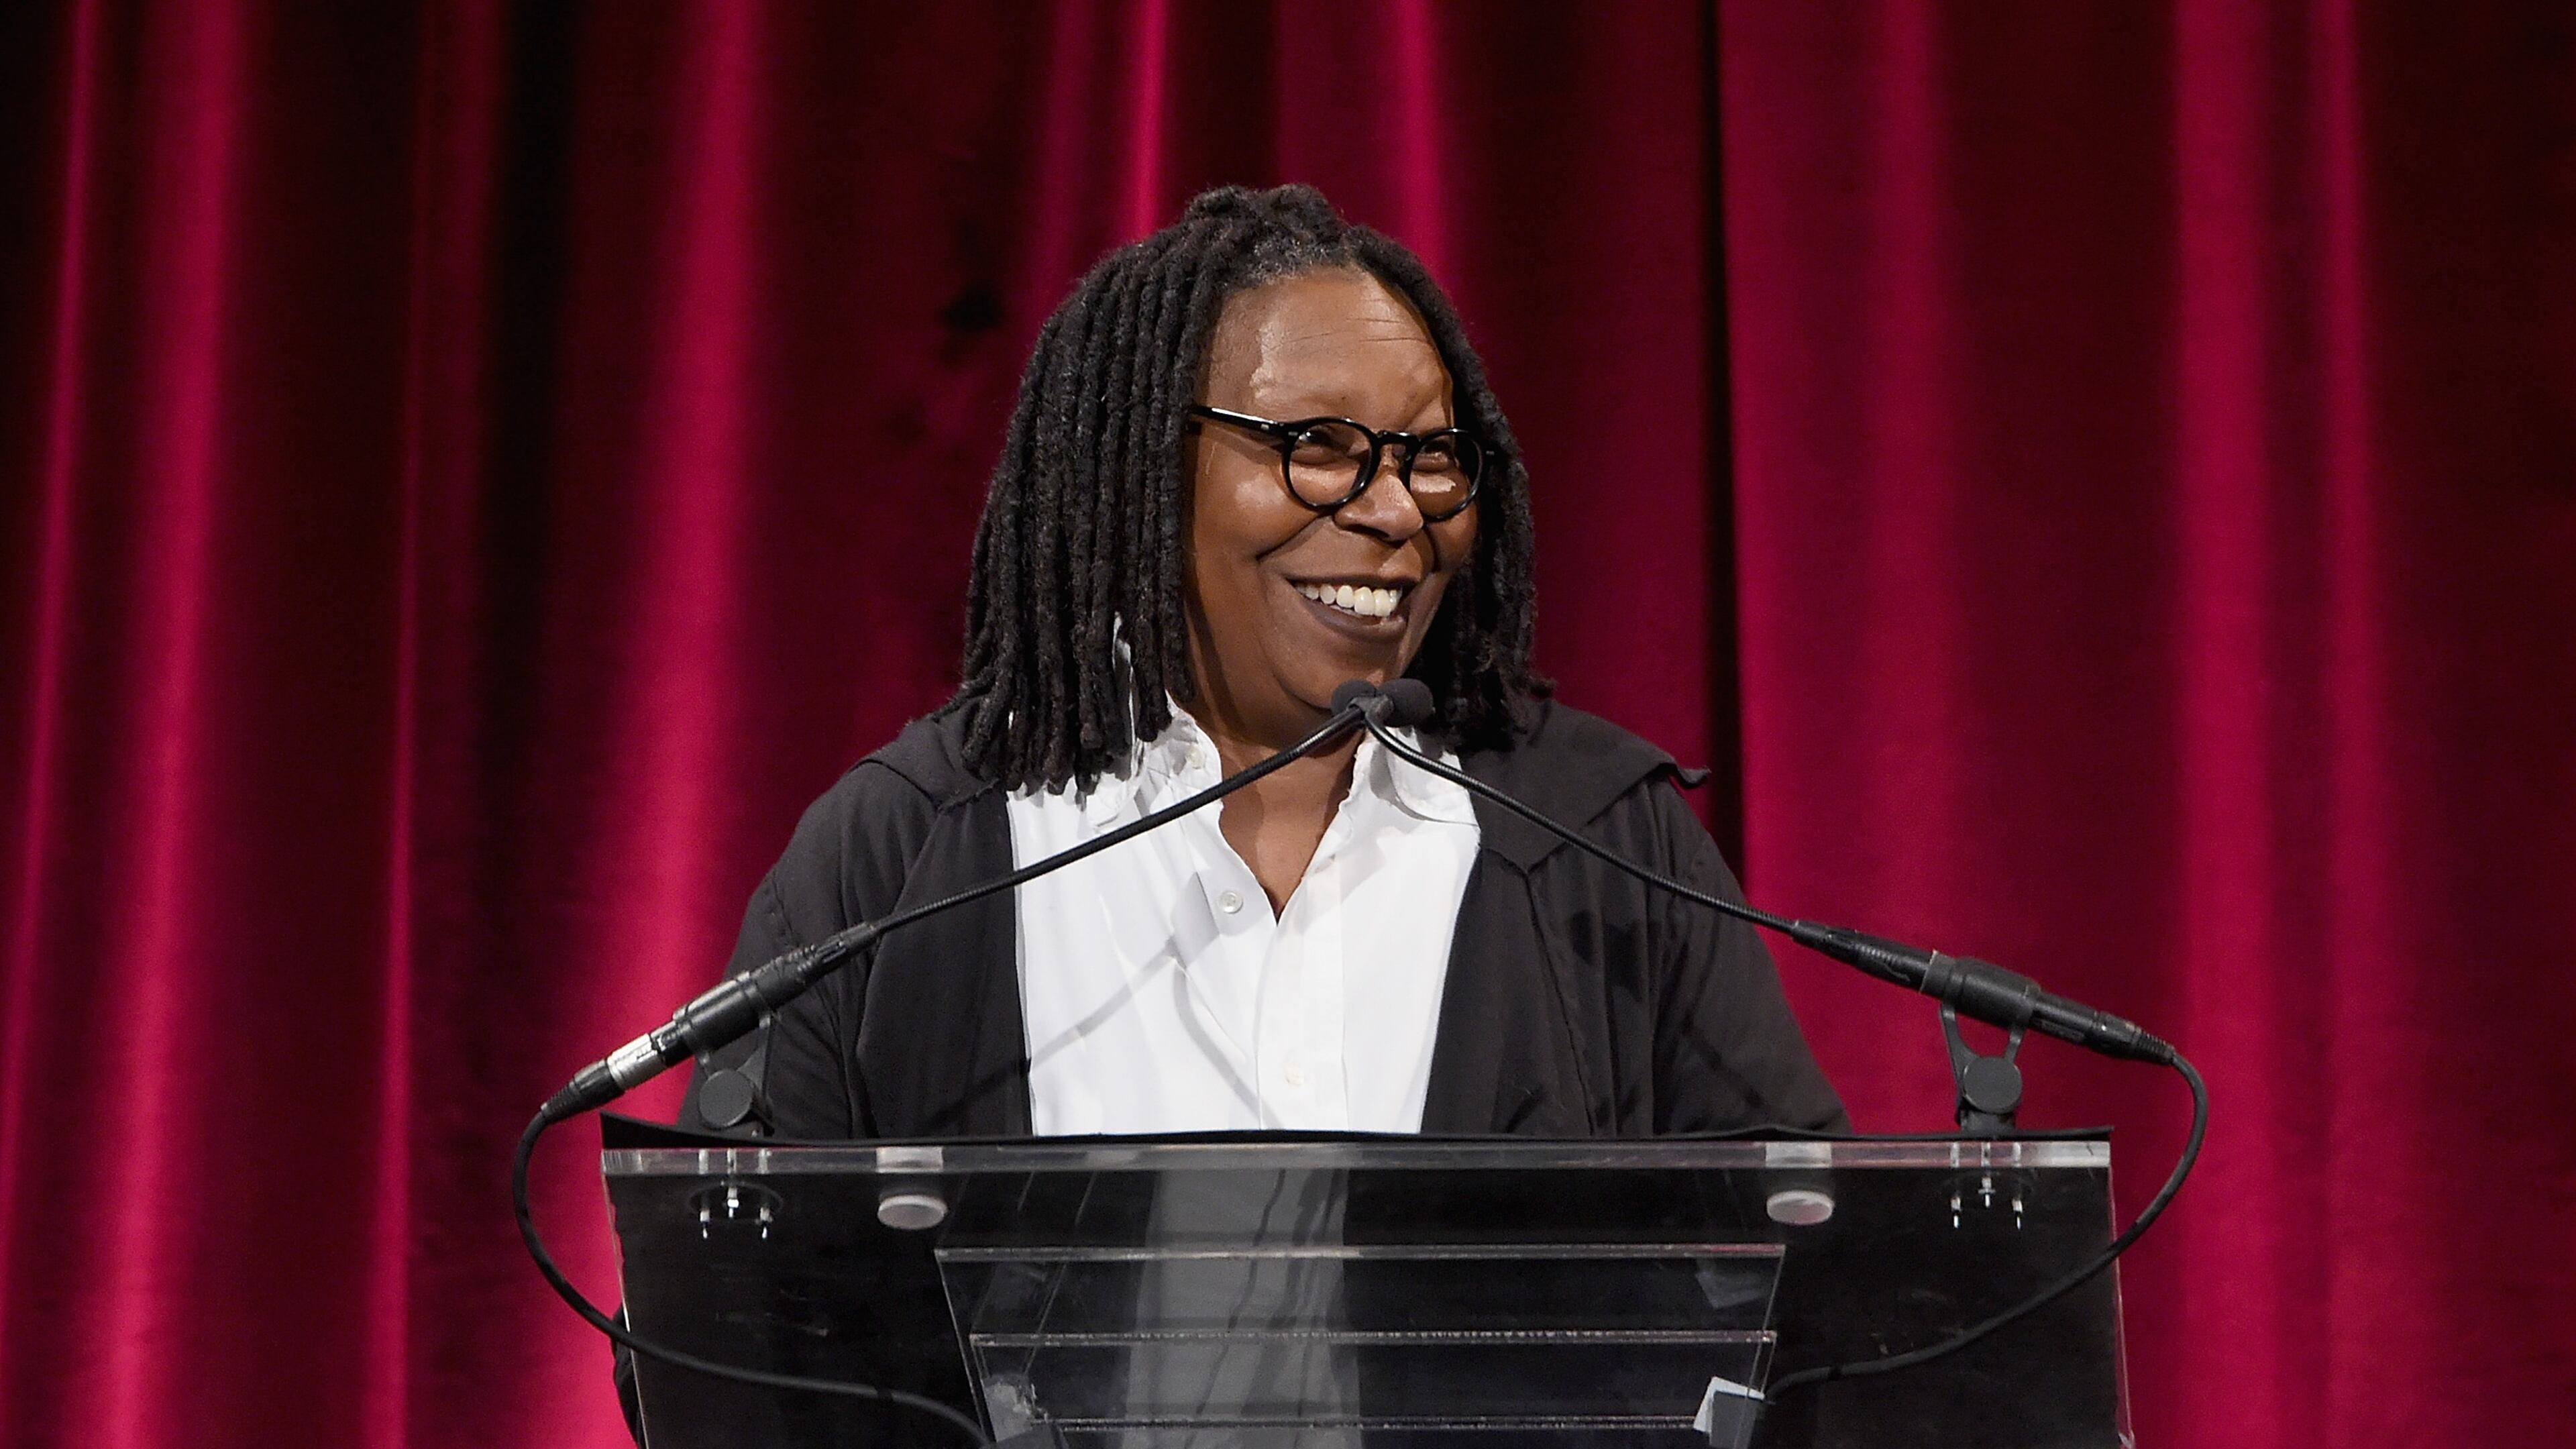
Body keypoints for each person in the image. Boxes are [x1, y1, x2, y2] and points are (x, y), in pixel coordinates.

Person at [678, 184, 1845, 1142]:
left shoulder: (1601, 845)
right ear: (1140, 471)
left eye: (1432, 456)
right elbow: (734, 1334)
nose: (1395, 507)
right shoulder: (904, 862)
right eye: (1319, 449)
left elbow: (1805, 1297)